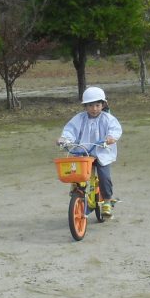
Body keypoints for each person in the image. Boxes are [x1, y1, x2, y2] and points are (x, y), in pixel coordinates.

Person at [57, 87, 122, 217]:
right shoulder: (79, 118)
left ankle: (107, 201)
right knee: (74, 171)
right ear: (85, 106)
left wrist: (111, 137)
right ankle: (77, 191)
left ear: (103, 104)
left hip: (102, 153)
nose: (94, 109)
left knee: (104, 177)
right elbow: (70, 130)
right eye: (90, 105)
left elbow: (115, 129)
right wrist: (64, 139)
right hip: (83, 152)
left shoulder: (107, 118)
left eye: (97, 105)